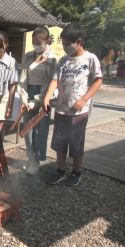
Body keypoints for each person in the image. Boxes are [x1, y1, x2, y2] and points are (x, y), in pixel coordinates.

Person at [42, 23, 103, 186]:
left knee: (76, 144)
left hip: (79, 111)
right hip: (61, 109)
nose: (65, 46)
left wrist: (83, 100)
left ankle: (76, 172)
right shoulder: (63, 61)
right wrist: (47, 96)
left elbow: (98, 81)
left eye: (68, 43)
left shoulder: (90, 58)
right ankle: (60, 170)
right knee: (60, 142)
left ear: (79, 41)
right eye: (63, 42)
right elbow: (55, 80)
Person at [18, 26, 57, 175]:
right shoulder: (28, 56)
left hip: (43, 96)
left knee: (40, 131)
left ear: (47, 41)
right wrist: (23, 98)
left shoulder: (52, 59)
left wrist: (36, 101)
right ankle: (30, 159)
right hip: (27, 94)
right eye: (34, 42)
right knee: (27, 130)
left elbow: (51, 84)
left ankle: (38, 160)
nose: (36, 45)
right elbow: (22, 80)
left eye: (39, 42)